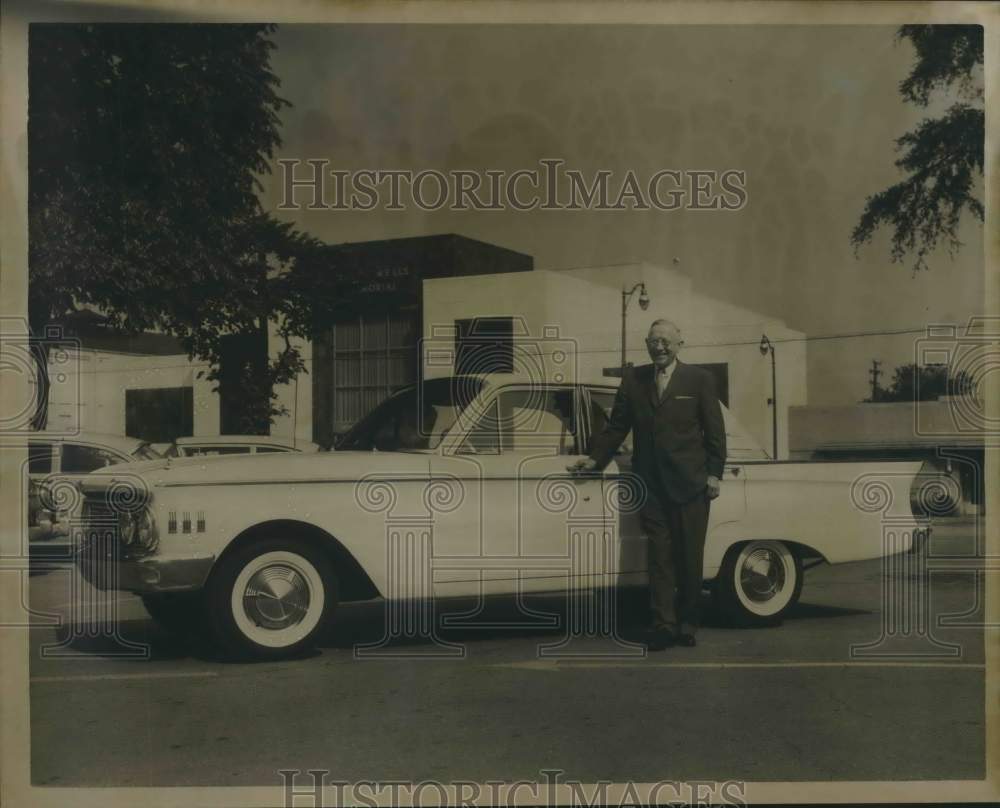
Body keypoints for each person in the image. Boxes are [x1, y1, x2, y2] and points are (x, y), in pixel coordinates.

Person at [568, 319, 726, 650]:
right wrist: (595, 458)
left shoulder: (699, 380)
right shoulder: (634, 379)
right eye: (654, 341)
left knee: (688, 557)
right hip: (650, 485)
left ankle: (687, 623)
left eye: (667, 340)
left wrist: (714, 474)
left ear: (680, 343)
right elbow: (616, 427)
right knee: (659, 557)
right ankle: (663, 624)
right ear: (647, 343)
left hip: (691, 484)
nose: (660, 346)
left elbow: (714, 433)